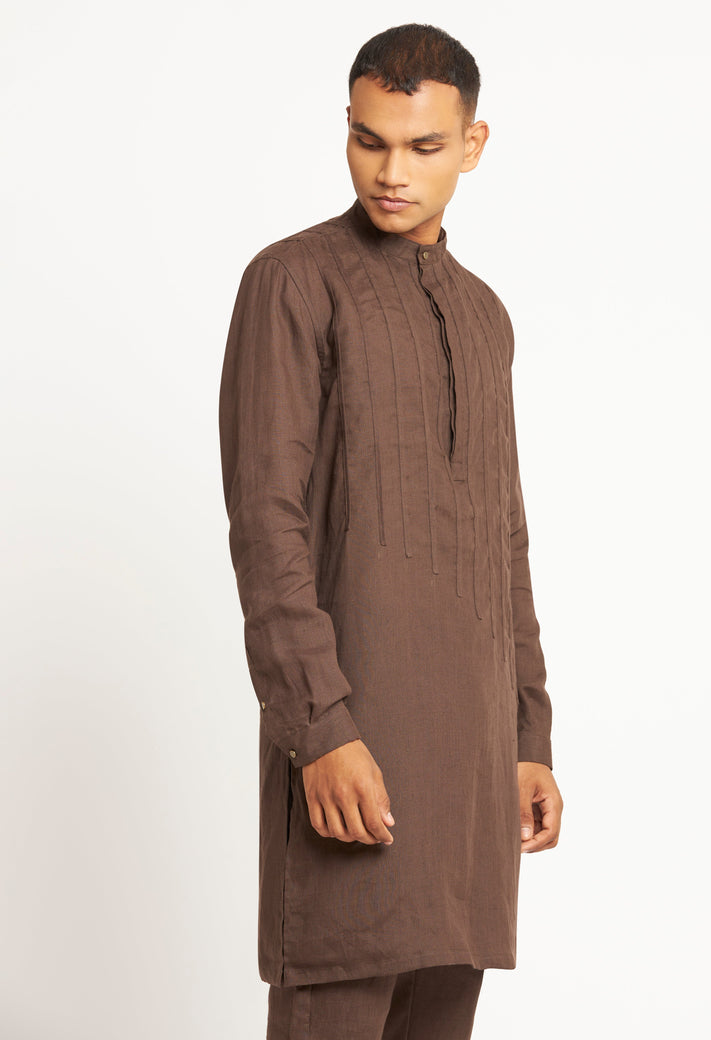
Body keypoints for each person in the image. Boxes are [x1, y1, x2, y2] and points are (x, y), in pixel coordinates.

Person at [218, 22, 564, 1040]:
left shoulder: (484, 316)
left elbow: (503, 536)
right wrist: (319, 726)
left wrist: (527, 737)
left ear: (472, 144)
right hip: (353, 749)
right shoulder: (294, 280)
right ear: (346, 129)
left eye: (421, 146)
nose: (391, 171)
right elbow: (265, 521)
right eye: (368, 140)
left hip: (470, 774)